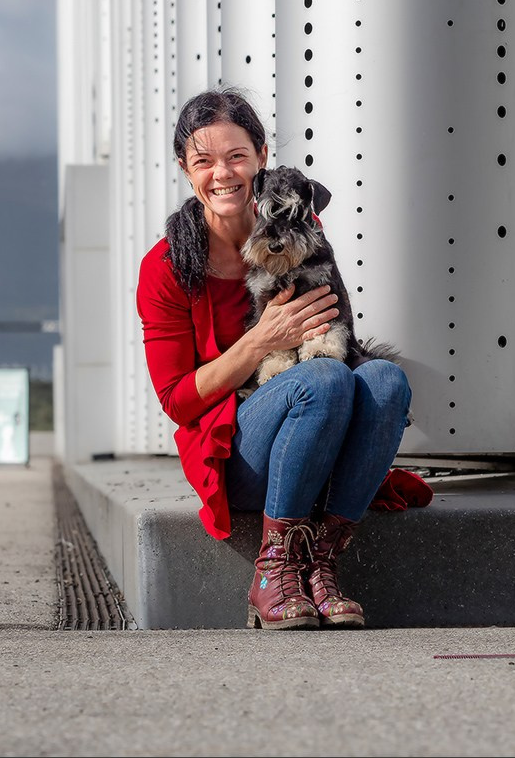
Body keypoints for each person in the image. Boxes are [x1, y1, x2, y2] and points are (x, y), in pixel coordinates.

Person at [136, 86, 415, 630]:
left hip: (316, 422)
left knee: (384, 380)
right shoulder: (165, 269)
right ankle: (274, 568)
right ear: (185, 170)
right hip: (239, 450)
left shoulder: (300, 231)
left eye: (237, 156)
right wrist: (260, 341)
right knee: (324, 380)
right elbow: (177, 400)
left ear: (262, 158)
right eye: (204, 161)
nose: (223, 173)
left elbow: (332, 325)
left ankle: (321, 565)